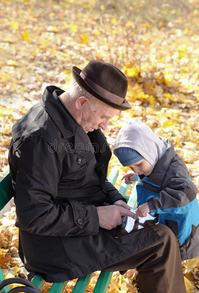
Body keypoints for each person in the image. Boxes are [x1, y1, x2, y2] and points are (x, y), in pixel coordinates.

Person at [8, 60, 186, 293]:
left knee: (159, 230)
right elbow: (35, 215)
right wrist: (96, 216)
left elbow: (92, 179)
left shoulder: (71, 118)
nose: (105, 125)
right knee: (160, 242)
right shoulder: (41, 140)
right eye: (105, 117)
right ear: (82, 102)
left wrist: (115, 200)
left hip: (76, 222)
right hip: (53, 247)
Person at [114, 117, 199, 261]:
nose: (137, 169)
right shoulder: (156, 160)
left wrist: (152, 205)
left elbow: (185, 194)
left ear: (150, 151)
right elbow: (155, 177)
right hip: (164, 219)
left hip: (179, 226)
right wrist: (137, 176)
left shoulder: (174, 171)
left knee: (170, 258)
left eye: (139, 165)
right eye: (131, 167)